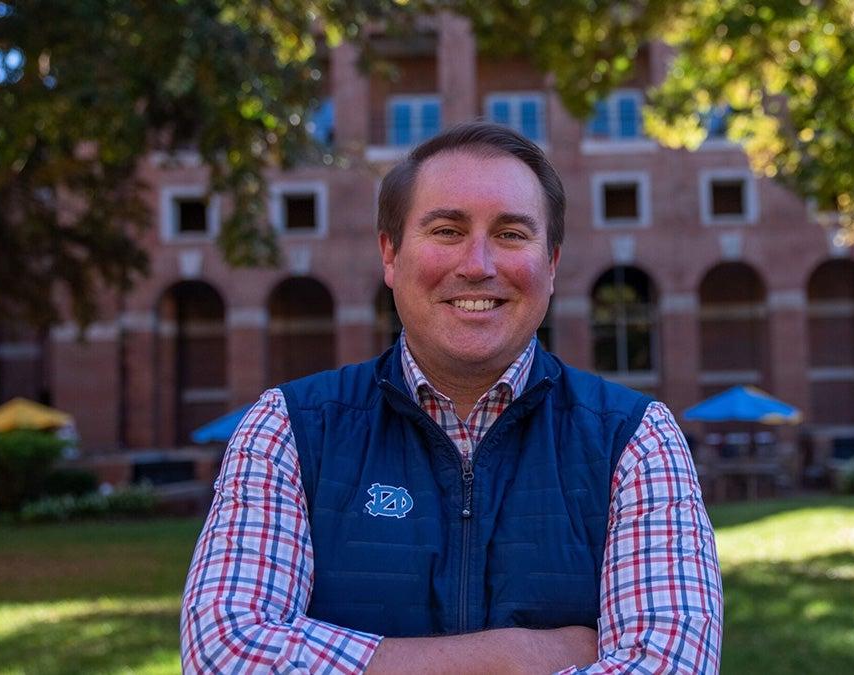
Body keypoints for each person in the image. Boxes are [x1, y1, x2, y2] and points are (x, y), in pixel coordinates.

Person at [180, 122, 723, 673]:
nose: (477, 265)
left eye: (511, 234)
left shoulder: (635, 439)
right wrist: (514, 656)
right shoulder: (289, 430)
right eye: (446, 230)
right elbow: (223, 654)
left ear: (552, 264)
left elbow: (672, 665)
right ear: (390, 255)